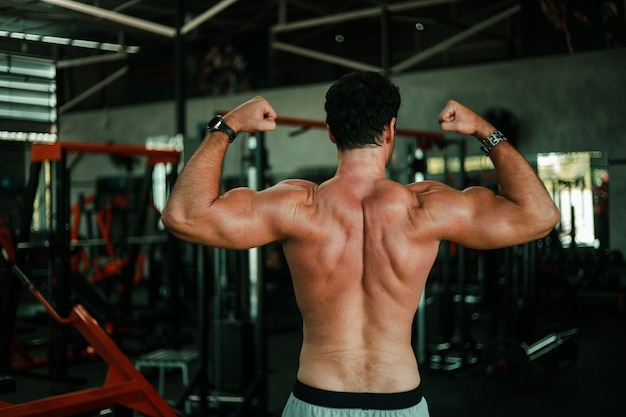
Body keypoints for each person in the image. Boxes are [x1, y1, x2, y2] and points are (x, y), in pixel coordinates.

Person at [161, 71, 560, 416]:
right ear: (390, 129)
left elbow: (182, 215)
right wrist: (484, 131)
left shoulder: (298, 206)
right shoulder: (427, 208)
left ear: (331, 132)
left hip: (318, 399)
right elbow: (540, 216)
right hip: (400, 402)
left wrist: (227, 126)